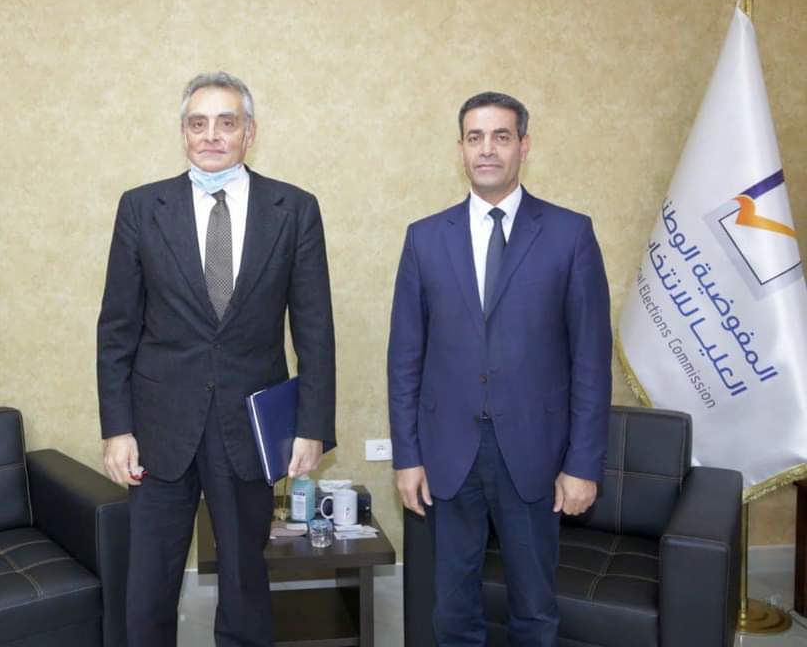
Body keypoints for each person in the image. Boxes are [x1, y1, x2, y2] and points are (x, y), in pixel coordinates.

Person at [97, 72, 336, 647]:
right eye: (198, 123)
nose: (211, 135)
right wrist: (117, 429)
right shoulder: (141, 207)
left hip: (247, 428)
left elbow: (314, 330)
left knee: (245, 582)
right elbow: (117, 329)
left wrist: (312, 428)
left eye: (226, 123)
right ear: (183, 132)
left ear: (249, 132)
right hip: (158, 429)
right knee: (148, 588)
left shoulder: (294, 208)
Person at [387, 92, 612, 646]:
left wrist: (583, 464)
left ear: (523, 146)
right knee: (452, 610)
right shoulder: (424, 238)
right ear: (461, 149)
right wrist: (407, 456)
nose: (487, 149)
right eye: (475, 138)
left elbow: (590, 360)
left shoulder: (570, 234)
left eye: (501, 137)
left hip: (535, 454)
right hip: (448, 455)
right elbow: (405, 358)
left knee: (533, 610)